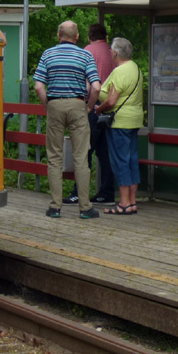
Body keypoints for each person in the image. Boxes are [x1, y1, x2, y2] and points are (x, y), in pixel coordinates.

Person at [33, 21, 102, 220]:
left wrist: (48, 105)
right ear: (77, 36)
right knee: (81, 157)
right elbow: (96, 87)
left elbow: (38, 86)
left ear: (58, 36)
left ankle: (55, 207)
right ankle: (85, 208)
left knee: (54, 157)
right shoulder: (85, 55)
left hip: (55, 104)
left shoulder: (48, 54)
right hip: (78, 105)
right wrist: (88, 107)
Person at [65, 23, 116, 206]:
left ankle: (79, 193)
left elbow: (87, 82)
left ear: (89, 36)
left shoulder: (88, 51)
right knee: (105, 153)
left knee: (84, 150)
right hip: (110, 108)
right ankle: (107, 192)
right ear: (105, 36)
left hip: (93, 107)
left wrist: (86, 105)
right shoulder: (112, 52)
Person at [94, 36, 144, 215]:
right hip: (134, 120)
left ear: (115, 53)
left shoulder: (119, 72)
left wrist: (99, 108)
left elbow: (112, 100)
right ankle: (132, 201)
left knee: (120, 160)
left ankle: (123, 203)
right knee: (131, 159)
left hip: (119, 121)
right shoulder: (135, 68)